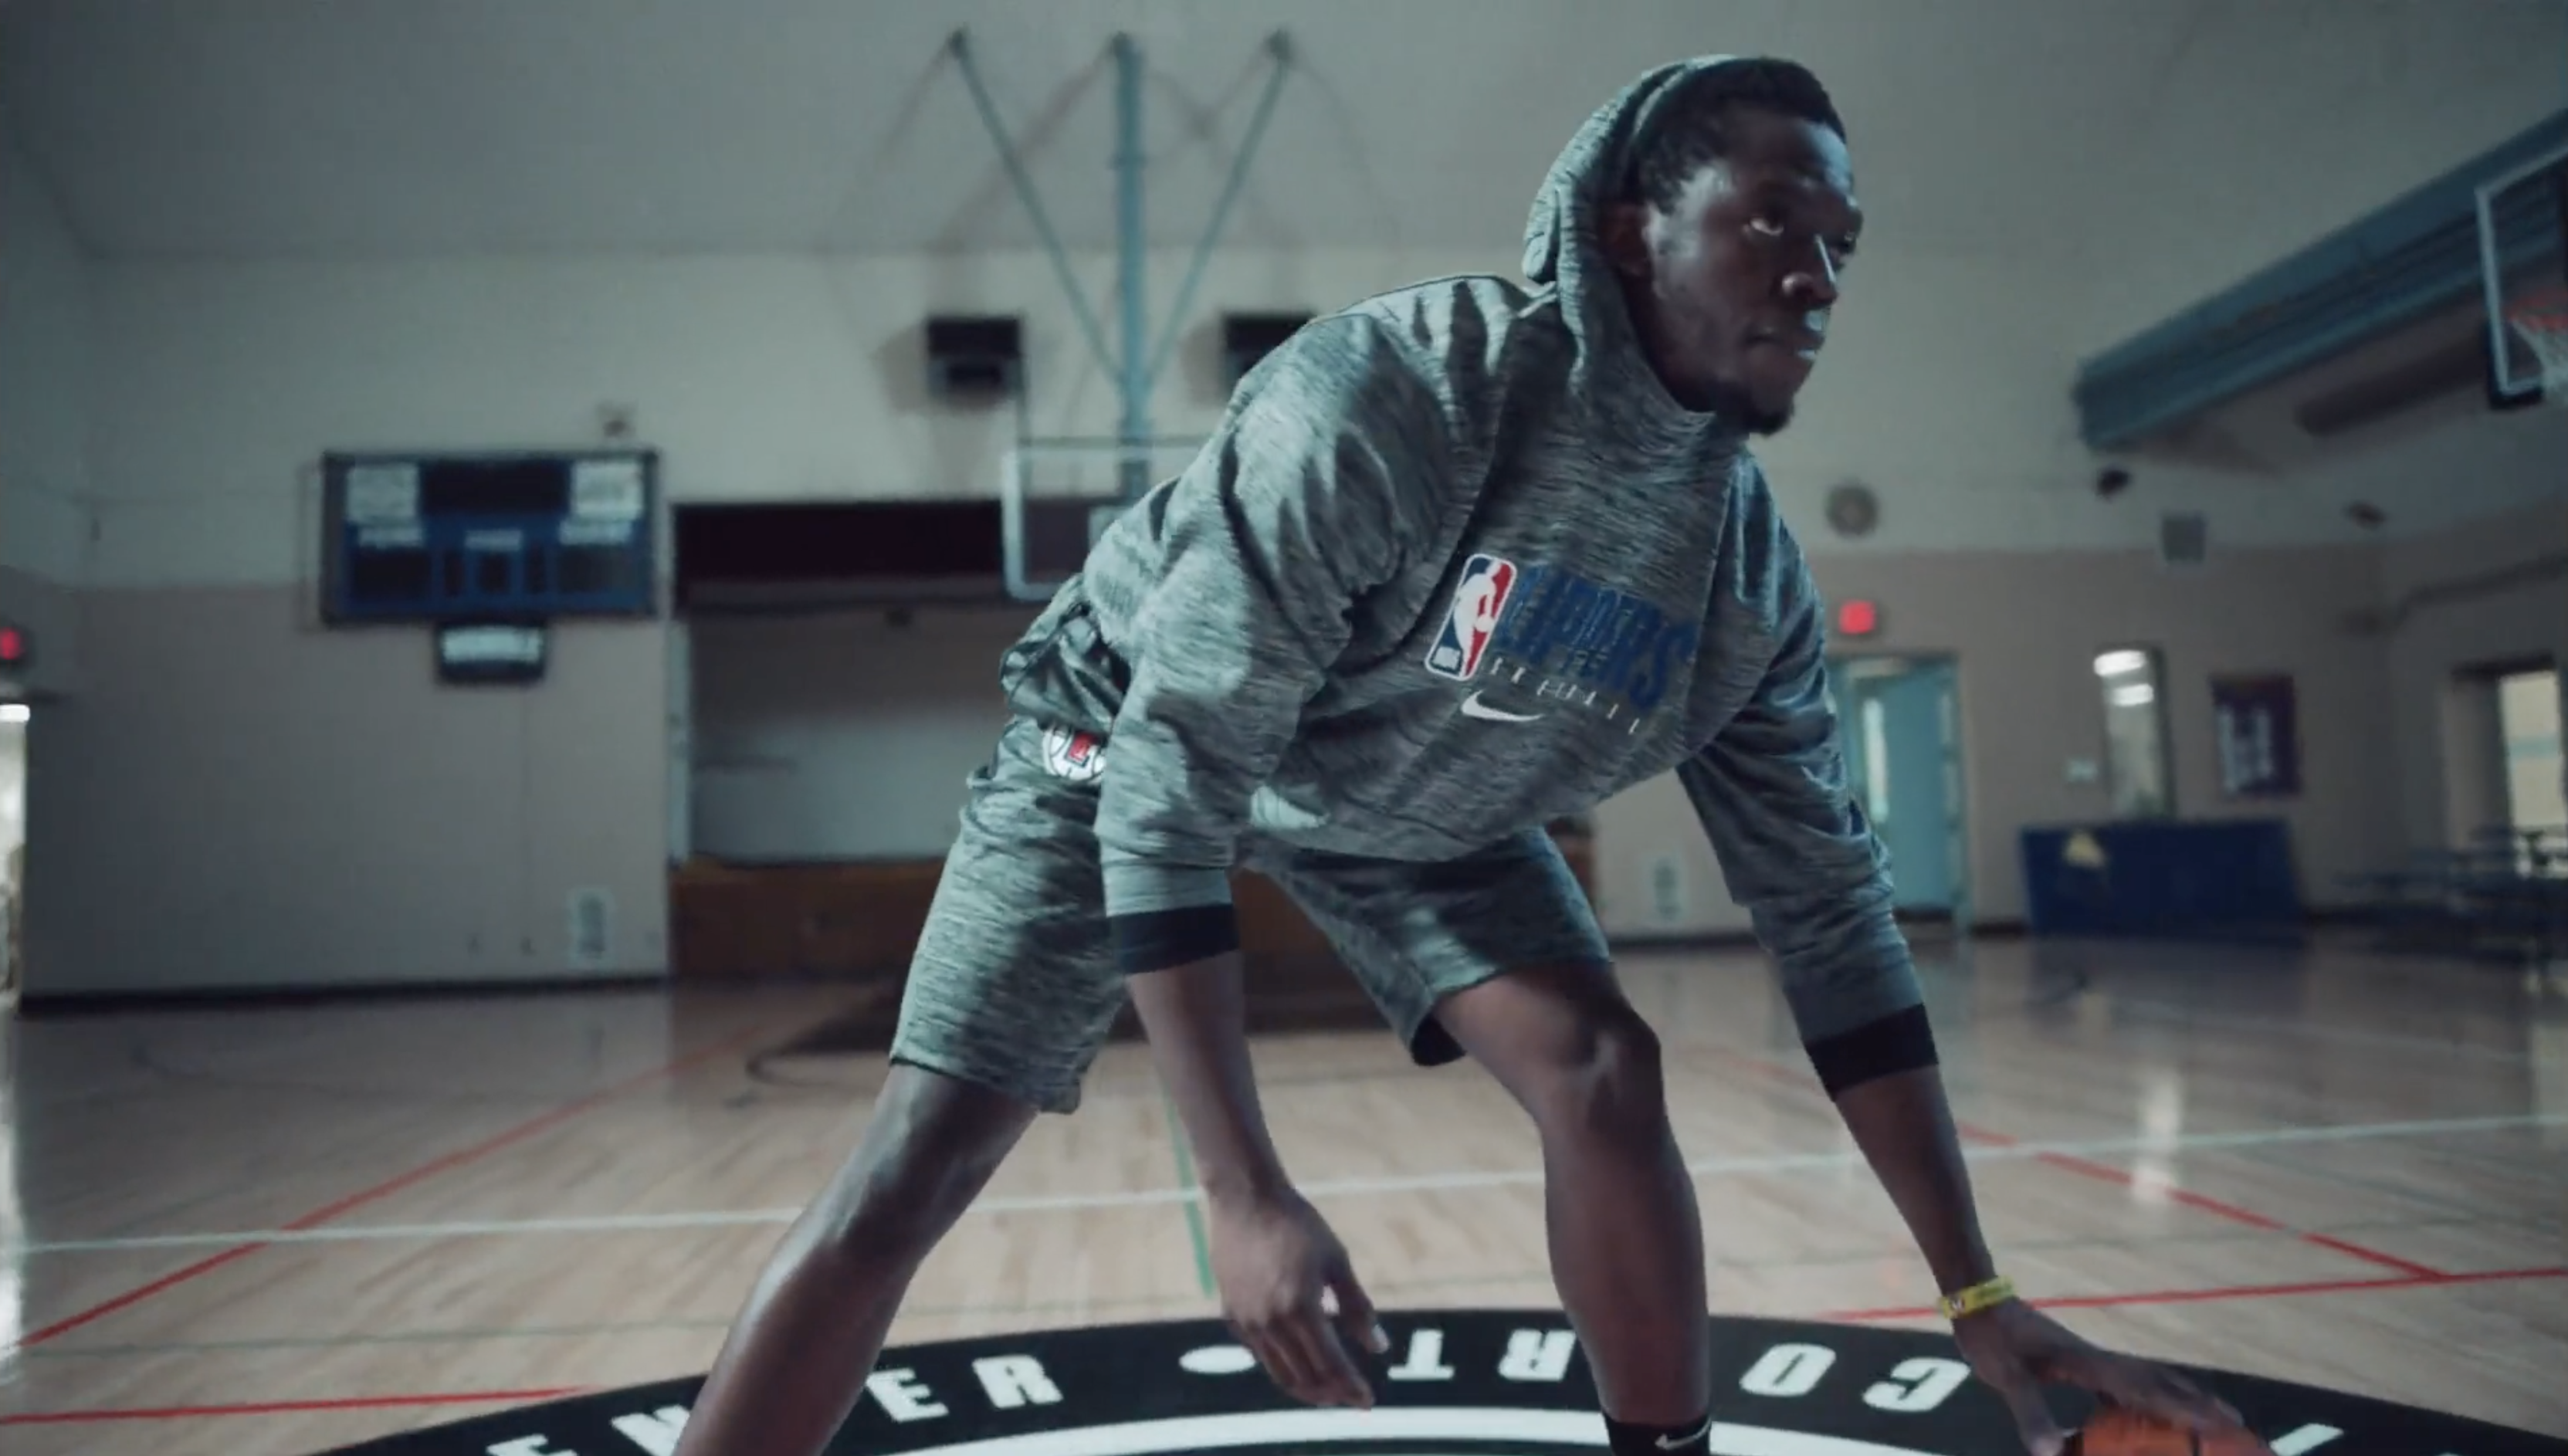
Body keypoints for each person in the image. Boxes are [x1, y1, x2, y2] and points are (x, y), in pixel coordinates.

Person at [672, 55, 2262, 1456]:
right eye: (1774, 220)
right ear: (1631, 228)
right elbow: (1170, 779)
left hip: (1407, 793)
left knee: (1603, 1067)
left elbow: (1832, 921)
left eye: (1841, 244)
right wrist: (1242, 1193)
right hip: (1121, 735)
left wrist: (1975, 1289)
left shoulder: (1743, 583)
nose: (1815, 276)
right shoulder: (1394, 395)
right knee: (917, 1167)